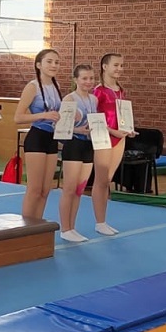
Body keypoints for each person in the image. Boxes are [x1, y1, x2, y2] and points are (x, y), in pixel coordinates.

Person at [14, 49, 62, 219]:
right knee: (34, 189)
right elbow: (18, 117)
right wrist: (43, 115)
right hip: (37, 137)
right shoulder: (32, 87)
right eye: (49, 61)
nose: (54, 65)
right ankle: (26, 226)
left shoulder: (56, 87)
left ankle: (37, 225)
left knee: (45, 190)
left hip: (51, 138)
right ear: (39, 65)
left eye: (57, 62)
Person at [92, 53, 134, 236]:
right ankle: (99, 222)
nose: (119, 69)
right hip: (104, 136)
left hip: (119, 137)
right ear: (104, 66)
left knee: (108, 180)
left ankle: (103, 220)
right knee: (101, 180)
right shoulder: (98, 90)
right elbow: (94, 117)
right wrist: (112, 131)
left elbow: (122, 115)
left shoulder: (120, 90)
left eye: (121, 65)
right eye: (116, 65)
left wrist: (128, 129)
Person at [58, 64, 97, 242]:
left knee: (79, 190)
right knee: (69, 188)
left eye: (91, 78)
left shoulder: (94, 100)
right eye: (84, 78)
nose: (88, 82)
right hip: (73, 145)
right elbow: (61, 128)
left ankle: (72, 227)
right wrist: (78, 130)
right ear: (76, 80)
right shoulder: (69, 99)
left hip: (88, 146)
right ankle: (64, 228)